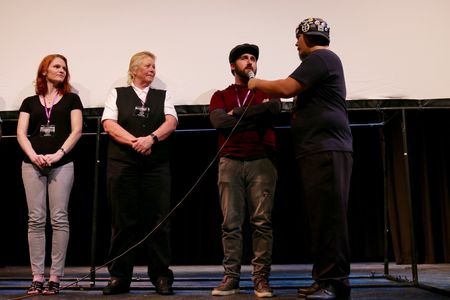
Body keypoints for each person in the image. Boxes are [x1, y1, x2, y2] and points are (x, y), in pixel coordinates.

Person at [248, 18, 353, 300]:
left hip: (327, 148)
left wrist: (254, 82)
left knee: (329, 218)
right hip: (319, 148)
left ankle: (335, 283)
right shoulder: (323, 61)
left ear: (305, 37)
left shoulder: (321, 58)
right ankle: (324, 279)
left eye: (297, 38)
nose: (295, 44)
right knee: (321, 218)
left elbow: (285, 88)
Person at [101, 51, 178, 296]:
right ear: (133, 70)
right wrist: (136, 141)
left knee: (158, 221)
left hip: (155, 167)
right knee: (123, 222)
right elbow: (109, 124)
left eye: (154, 66)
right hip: (123, 165)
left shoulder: (162, 95)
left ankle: (161, 277)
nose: (153, 70)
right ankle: (119, 277)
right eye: (147, 66)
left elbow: (171, 121)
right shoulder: (117, 93)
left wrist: (151, 139)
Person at [209, 43, 281, 298]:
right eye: (244, 58)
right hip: (230, 161)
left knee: (262, 222)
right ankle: (232, 277)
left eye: (253, 58)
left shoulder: (266, 91)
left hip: (262, 160)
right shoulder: (220, 94)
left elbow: (274, 109)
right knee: (231, 223)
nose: (250, 61)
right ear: (233, 66)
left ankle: (261, 279)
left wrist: (238, 113)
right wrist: (254, 116)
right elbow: (219, 121)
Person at [16, 54, 84, 295]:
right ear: (44, 71)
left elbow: (76, 131)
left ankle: (55, 276)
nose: (61, 70)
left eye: (64, 67)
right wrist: (34, 155)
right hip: (32, 164)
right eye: (56, 66)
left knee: (59, 218)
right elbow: (21, 133)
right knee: (35, 220)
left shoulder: (72, 99)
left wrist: (57, 154)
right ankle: (37, 276)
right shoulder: (29, 102)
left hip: (62, 163)